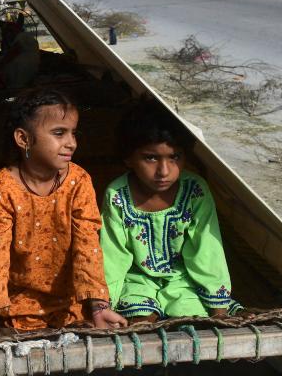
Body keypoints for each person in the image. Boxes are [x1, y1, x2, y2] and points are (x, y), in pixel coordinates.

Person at [0, 89, 127, 338]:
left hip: (71, 306)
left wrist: (99, 307)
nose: (72, 143)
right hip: (15, 309)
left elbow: (87, 246)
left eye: (73, 133)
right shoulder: (1, 187)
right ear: (23, 139)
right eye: (59, 133)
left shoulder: (78, 181)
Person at [99, 103, 243, 322]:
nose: (164, 171)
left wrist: (219, 310)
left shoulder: (194, 190)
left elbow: (207, 249)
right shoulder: (117, 194)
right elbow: (112, 255)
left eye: (174, 157)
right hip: (136, 280)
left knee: (192, 324)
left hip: (184, 280)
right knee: (140, 324)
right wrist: (102, 305)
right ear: (128, 158)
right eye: (151, 158)